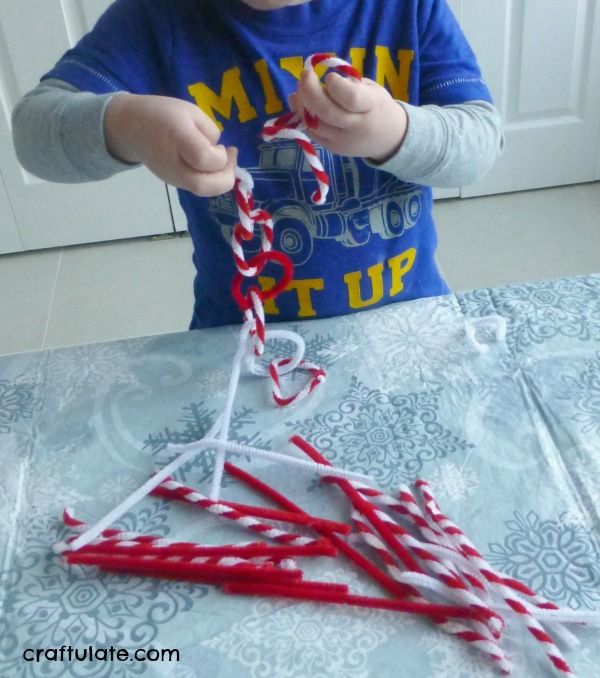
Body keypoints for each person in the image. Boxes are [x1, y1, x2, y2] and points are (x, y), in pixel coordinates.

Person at [12, 0, 503, 329]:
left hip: (408, 319)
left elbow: (480, 141)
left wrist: (396, 131)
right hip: (242, 337)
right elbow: (34, 132)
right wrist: (125, 125)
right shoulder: (156, 16)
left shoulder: (407, 8)